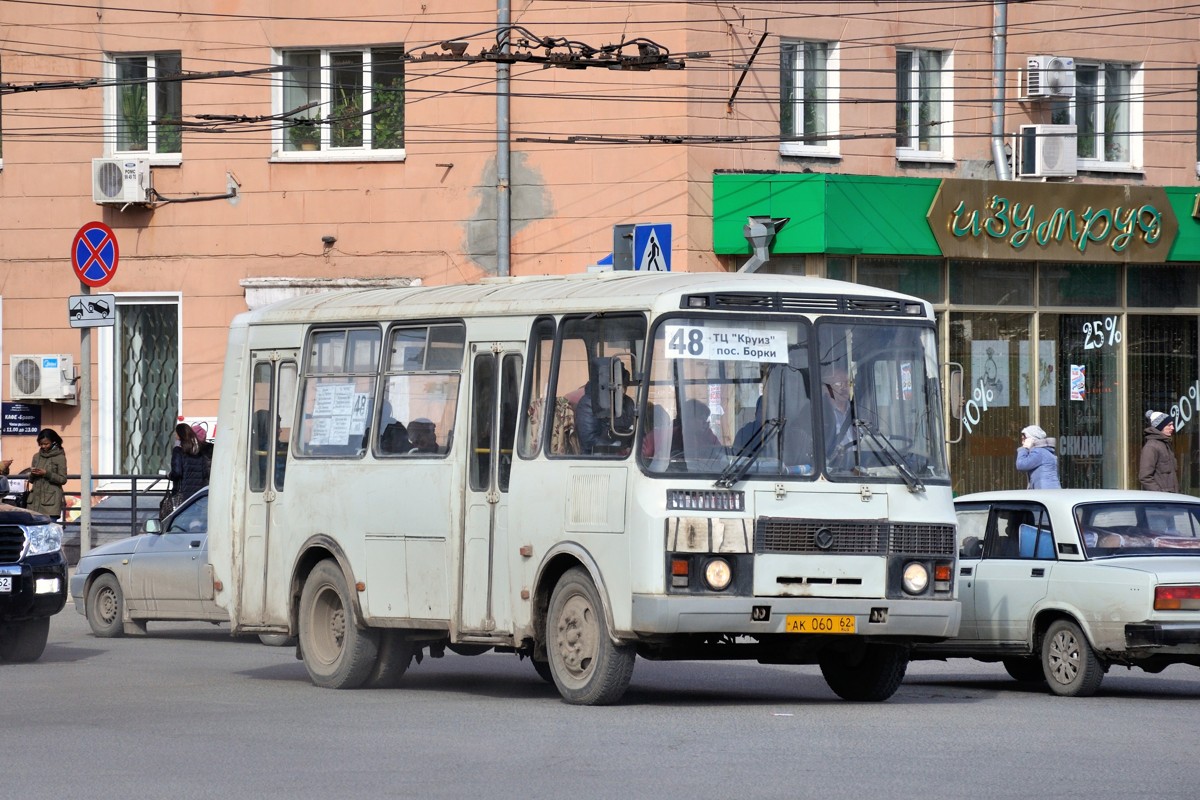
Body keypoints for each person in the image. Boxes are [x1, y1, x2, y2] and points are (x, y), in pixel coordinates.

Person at [574, 360, 636, 455]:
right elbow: (589, 440)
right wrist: (617, 449)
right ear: (607, 385)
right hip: (597, 458)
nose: (623, 391)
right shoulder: (588, 403)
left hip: (626, 454)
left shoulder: (628, 402)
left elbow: (634, 428)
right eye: (619, 387)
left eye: (625, 387)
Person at [27, 428, 67, 520]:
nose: (43, 446)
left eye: (46, 444)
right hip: (33, 503)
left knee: (49, 532)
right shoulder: (36, 457)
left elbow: (63, 479)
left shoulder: (60, 457)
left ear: (54, 442)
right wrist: (33, 474)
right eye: (41, 444)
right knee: (33, 532)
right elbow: (31, 480)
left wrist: (46, 473)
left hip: (50, 504)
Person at [170, 422, 211, 501]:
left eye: (176, 434)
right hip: (198, 493)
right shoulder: (199, 450)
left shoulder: (178, 450)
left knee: (182, 512)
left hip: (182, 492)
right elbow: (204, 472)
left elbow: (177, 472)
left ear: (180, 435)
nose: (175, 436)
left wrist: (170, 475)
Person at [1139, 410, 1178, 492]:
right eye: (1169, 425)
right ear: (1160, 427)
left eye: (1172, 425)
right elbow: (1145, 477)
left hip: (1172, 497)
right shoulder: (1151, 447)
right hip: (1162, 500)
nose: (1172, 428)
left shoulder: (1165, 444)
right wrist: (1159, 494)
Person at [1016, 424, 1061, 489]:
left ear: (1031, 439)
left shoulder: (1039, 452)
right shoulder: (1043, 451)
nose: (1023, 442)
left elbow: (1021, 465)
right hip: (1048, 491)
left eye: (1024, 439)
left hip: (1045, 492)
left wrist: (1025, 448)